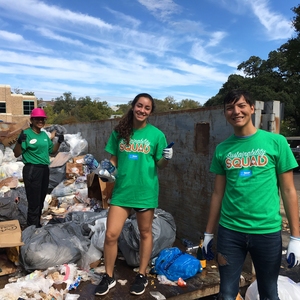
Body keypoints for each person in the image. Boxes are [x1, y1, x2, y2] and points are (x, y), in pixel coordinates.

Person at [202, 89, 300, 299]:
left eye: (241, 106)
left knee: (268, 293)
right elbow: (218, 193)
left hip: (267, 232)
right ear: (225, 113)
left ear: (252, 108)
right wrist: (208, 234)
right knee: (227, 294)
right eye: (230, 108)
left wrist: (295, 237)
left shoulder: (277, 143)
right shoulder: (222, 149)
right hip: (230, 233)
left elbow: (289, 190)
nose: (235, 111)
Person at [94, 93, 173, 296]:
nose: (142, 110)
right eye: (139, 106)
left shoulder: (157, 135)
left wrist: (167, 158)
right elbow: (113, 159)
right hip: (122, 191)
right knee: (111, 234)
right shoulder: (120, 132)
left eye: (147, 108)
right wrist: (106, 170)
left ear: (151, 112)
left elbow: (160, 164)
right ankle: (109, 276)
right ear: (133, 106)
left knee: (145, 233)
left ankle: (142, 274)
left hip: (145, 192)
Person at [13, 108, 64, 228]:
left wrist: (59, 142)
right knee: (34, 202)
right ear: (32, 120)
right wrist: (20, 142)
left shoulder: (44, 136)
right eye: (38, 119)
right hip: (32, 169)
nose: (40, 121)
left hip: (44, 169)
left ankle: (37, 225)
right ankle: (32, 229)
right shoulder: (26, 134)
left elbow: (52, 151)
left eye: (42, 119)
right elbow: (16, 153)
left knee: (41, 200)